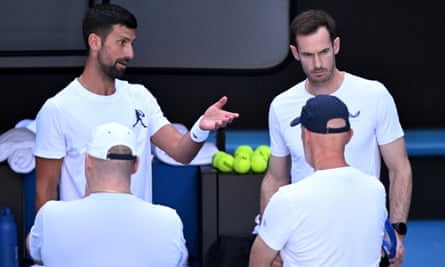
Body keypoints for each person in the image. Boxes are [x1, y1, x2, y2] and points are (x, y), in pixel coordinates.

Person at [33, 3, 239, 211]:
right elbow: (45, 190)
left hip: (139, 238)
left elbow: (180, 152)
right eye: (122, 42)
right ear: (95, 42)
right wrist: (47, 239)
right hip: (82, 240)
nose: (130, 53)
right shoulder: (58, 109)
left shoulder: (140, 97)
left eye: (132, 43)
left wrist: (201, 128)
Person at [260, 9, 411, 266]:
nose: (318, 63)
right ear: (295, 54)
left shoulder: (374, 94)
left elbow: (399, 168)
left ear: (336, 46)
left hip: (362, 234)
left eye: (324, 52)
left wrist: (397, 230)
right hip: (305, 235)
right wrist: (269, 238)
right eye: (308, 54)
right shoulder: (281, 105)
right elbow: (275, 177)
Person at [250, 95, 388, 267]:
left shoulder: (288, 199)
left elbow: (258, 262)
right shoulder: (376, 190)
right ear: (350, 135)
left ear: (306, 136)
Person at [27, 122, 189, 266]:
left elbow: (34, 251)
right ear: (136, 165)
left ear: (88, 161)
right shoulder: (169, 220)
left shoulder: (51, 215)